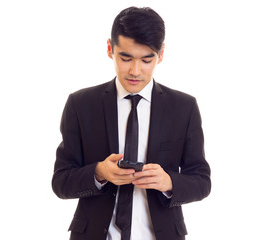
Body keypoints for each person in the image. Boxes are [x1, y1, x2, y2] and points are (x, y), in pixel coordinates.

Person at [52, 6, 211, 240]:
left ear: (161, 53)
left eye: (147, 60)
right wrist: (99, 172)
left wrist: (168, 182)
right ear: (109, 49)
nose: (135, 71)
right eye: (125, 58)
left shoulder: (183, 107)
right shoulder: (81, 104)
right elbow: (61, 182)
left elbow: (201, 181)